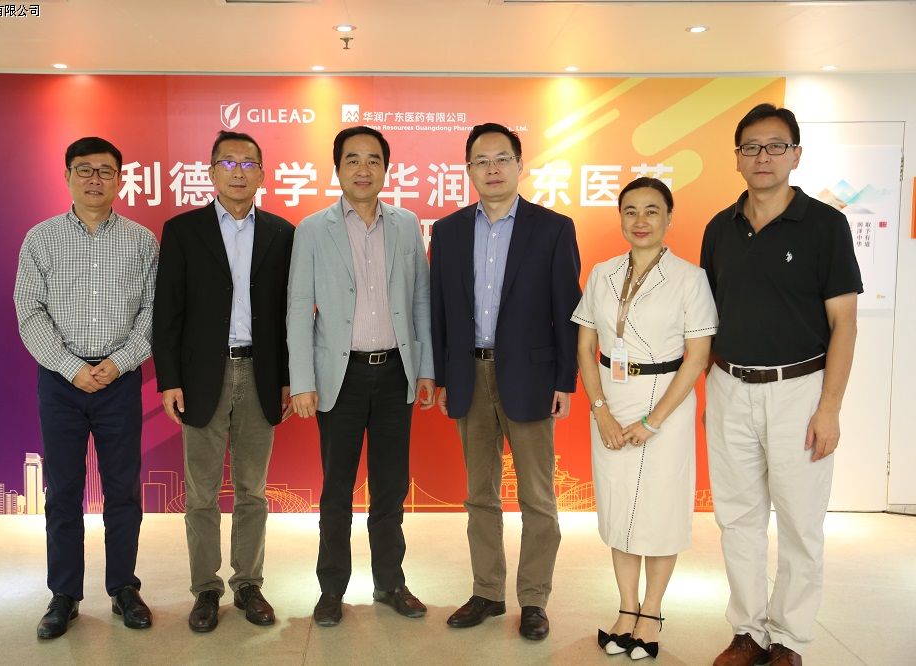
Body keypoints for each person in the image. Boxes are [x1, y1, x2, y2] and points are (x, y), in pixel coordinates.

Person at [701, 104, 862, 666]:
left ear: (796, 155)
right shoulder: (719, 228)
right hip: (729, 387)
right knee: (737, 519)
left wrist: (829, 408)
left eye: (775, 146)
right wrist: (709, 393)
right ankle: (748, 632)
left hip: (800, 390)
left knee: (800, 522)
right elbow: (708, 318)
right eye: (751, 147)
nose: (762, 157)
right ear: (737, 157)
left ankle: (789, 639)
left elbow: (844, 323)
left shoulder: (825, 226)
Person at [429, 122, 581, 641]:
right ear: (468, 169)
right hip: (468, 374)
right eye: (481, 160)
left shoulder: (552, 228)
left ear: (520, 165)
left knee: (538, 496)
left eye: (501, 159)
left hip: (533, 377)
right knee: (480, 495)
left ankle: (534, 599)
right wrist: (444, 375)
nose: (492, 169)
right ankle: (488, 592)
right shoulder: (448, 231)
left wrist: (565, 379)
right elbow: (440, 310)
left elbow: (568, 310)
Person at [286, 126, 435, 627]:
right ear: (338, 169)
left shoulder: (407, 225)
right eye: (353, 160)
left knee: (391, 488)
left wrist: (425, 369)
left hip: (395, 372)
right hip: (340, 375)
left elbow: (420, 301)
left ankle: (390, 583)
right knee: (337, 490)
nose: (363, 169)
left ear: (386, 169)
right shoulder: (312, 229)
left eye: (373, 160)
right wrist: (302, 380)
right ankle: (331, 589)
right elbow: (298, 308)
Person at [14, 136, 157, 639]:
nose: (95, 179)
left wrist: (118, 363)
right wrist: (70, 366)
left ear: (120, 178)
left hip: (120, 380)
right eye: (84, 169)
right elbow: (29, 311)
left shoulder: (142, 241)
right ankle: (64, 595)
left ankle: (123, 588)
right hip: (60, 382)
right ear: (67, 176)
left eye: (105, 170)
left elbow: (154, 312)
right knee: (63, 492)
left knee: (123, 491)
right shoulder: (41, 239)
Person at [152, 130, 294, 633]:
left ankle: (249, 583)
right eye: (228, 162)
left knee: (253, 490)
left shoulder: (282, 233)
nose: (238, 172)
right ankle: (206, 589)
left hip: (261, 374)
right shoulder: (183, 231)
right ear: (211, 172)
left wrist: (289, 377)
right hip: (201, 377)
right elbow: (167, 311)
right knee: (201, 493)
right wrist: (169, 378)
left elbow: (289, 314)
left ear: (262, 174)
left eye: (248, 163)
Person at [573, 177, 717, 659]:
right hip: (611, 399)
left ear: (669, 219)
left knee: (660, 508)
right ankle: (626, 607)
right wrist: (600, 412)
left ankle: (651, 612)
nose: (640, 221)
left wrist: (653, 421)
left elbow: (698, 357)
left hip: (666, 402)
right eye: (630, 211)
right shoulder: (602, 274)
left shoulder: (690, 278)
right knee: (618, 506)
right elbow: (586, 347)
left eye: (652, 211)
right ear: (620, 217)